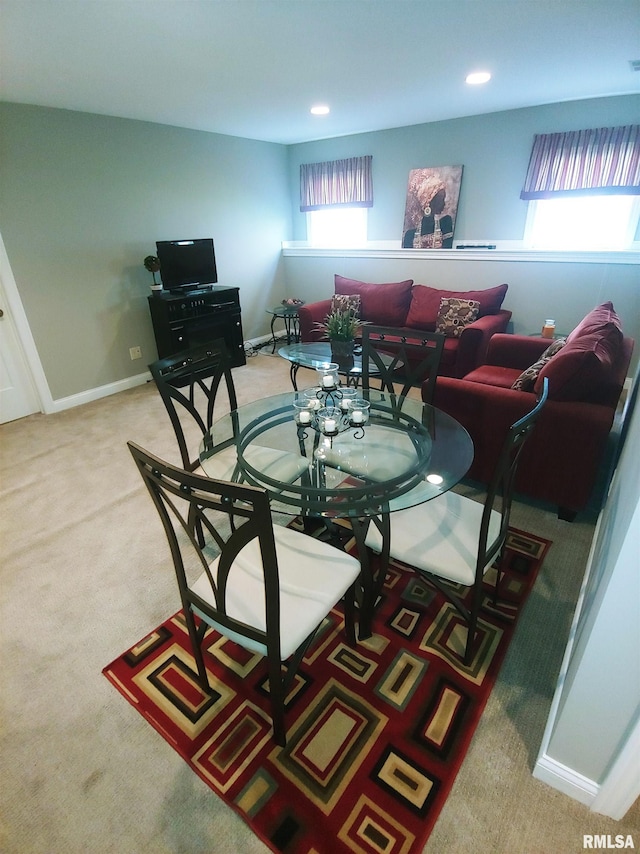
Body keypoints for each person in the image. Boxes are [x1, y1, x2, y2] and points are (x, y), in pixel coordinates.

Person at [402, 175, 454, 249]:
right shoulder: (410, 235)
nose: (444, 203)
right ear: (428, 202)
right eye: (440, 199)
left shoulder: (445, 223)